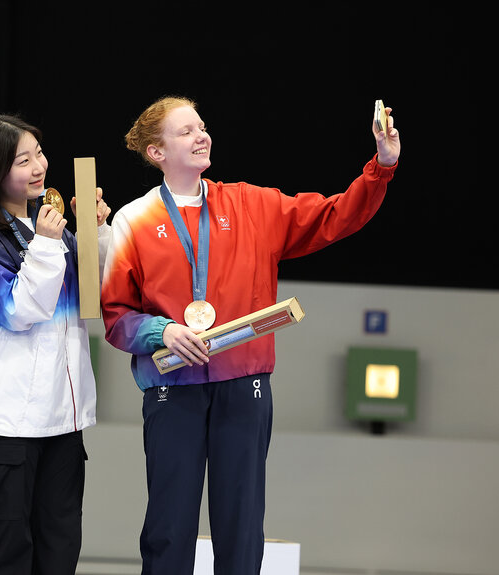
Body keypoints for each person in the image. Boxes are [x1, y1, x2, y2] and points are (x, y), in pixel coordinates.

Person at [100, 96, 400, 574]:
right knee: (168, 528)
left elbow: (333, 216)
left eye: (202, 126)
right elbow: (116, 315)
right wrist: (164, 330)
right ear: (156, 152)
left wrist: (380, 168)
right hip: (171, 389)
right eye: (186, 132)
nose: (202, 136)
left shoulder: (251, 204)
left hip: (244, 387)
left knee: (241, 529)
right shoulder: (131, 220)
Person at [0, 114, 111, 575]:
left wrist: (96, 232)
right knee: (5, 557)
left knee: (58, 555)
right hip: (6, 429)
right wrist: (46, 243)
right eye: (23, 160)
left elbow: (92, 301)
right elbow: (18, 313)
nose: (38, 166)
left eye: (39, 153)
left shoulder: (52, 233)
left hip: (62, 424)